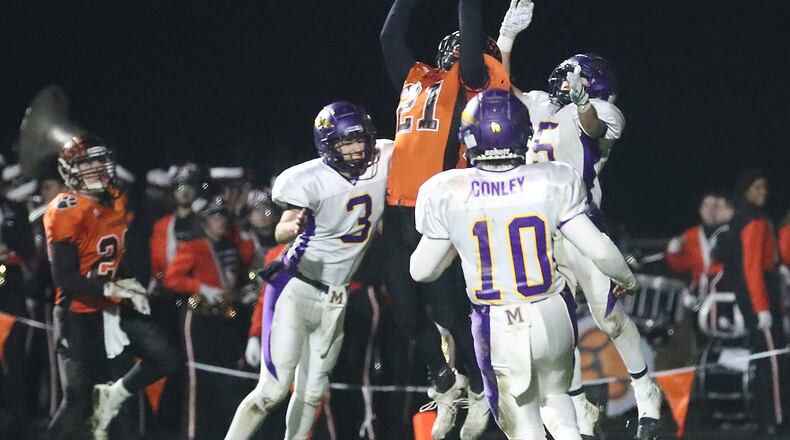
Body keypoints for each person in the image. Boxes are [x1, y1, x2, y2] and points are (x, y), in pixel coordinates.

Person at [410, 89, 638, 440]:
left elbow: (421, 271)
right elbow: (601, 250)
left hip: (498, 320)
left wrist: (458, 245)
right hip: (551, 311)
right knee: (557, 398)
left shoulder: (449, 190)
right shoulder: (551, 179)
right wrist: (628, 278)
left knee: (524, 423)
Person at [497, 3, 662, 438]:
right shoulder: (536, 103)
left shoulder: (603, 111)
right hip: (537, 228)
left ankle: (646, 391)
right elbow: (499, 93)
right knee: (557, 327)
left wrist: (583, 101)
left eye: (578, 75)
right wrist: (507, 41)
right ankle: (578, 408)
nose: (565, 79)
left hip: (577, 219)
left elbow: (591, 128)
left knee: (607, 316)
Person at [224, 101, 392, 440]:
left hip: (336, 296)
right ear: (329, 145)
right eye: (347, 141)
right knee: (273, 390)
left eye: (361, 139)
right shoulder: (308, 179)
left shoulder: (384, 156)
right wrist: (291, 227)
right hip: (296, 287)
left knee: (313, 393)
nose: (358, 148)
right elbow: (282, 228)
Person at [380, 0, 510, 437]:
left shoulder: (473, 83)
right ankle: (444, 380)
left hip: (436, 210)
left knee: (449, 310)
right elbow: (389, 38)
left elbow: (471, 52)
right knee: (405, 312)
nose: (457, 52)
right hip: (397, 207)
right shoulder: (416, 80)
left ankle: (476, 389)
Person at [44, 135, 179, 440]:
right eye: (86, 163)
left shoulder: (116, 198)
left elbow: (113, 253)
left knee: (166, 357)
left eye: (98, 160)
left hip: (112, 308)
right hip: (77, 311)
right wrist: (113, 288)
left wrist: (128, 283)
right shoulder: (65, 207)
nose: (95, 167)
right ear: (69, 170)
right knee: (77, 400)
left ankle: (112, 396)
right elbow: (64, 276)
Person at [163, 195, 254, 440]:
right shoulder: (193, 246)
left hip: (226, 318)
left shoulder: (231, 247)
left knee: (223, 379)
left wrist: (241, 293)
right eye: (215, 217)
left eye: (223, 216)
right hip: (199, 318)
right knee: (198, 381)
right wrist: (201, 287)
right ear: (205, 221)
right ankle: (193, 434)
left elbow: (238, 277)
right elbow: (172, 278)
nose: (221, 221)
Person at [714, 169, 786, 435]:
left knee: (767, 357)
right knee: (773, 360)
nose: (762, 193)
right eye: (756, 188)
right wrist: (762, 307)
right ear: (745, 192)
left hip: (760, 292)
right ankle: (775, 418)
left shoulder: (746, 219)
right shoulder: (752, 221)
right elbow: (752, 268)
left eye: (764, 188)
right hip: (760, 294)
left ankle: (767, 417)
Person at [666, 192, 729, 292]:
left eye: (715, 206)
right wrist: (673, 254)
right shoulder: (690, 235)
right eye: (706, 205)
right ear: (700, 209)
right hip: (699, 290)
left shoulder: (730, 233)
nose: (710, 210)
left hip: (724, 288)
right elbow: (681, 267)